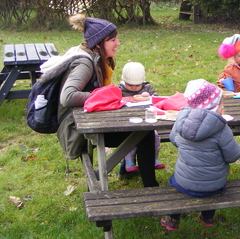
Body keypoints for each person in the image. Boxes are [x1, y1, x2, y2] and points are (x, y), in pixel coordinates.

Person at [40, 13, 158, 188]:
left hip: (90, 119)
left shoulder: (94, 58)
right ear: (99, 43)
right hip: (78, 128)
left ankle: (134, 173)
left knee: (142, 130)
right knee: (144, 133)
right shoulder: (85, 64)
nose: (118, 43)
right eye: (113, 40)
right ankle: (150, 186)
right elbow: (68, 97)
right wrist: (109, 96)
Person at [160, 79, 240, 231]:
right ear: (212, 107)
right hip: (214, 186)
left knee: (172, 181)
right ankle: (208, 216)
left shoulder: (181, 121)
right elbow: (233, 156)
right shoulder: (222, 129)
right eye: (221, 104)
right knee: (210, 184)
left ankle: (173, 219)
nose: (223, 107)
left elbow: (173, 139)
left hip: (183, 183)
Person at [118, 61, 165, 177]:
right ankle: (129, 162)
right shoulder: (119, 90)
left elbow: (156, 99)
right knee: (130, 140)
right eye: (130, 85)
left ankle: (154, 159)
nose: (134, 88)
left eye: (137, 86)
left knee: (155, 137)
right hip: (128, 123)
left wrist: (151, 98)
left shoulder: (147, 88)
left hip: (146, 121)